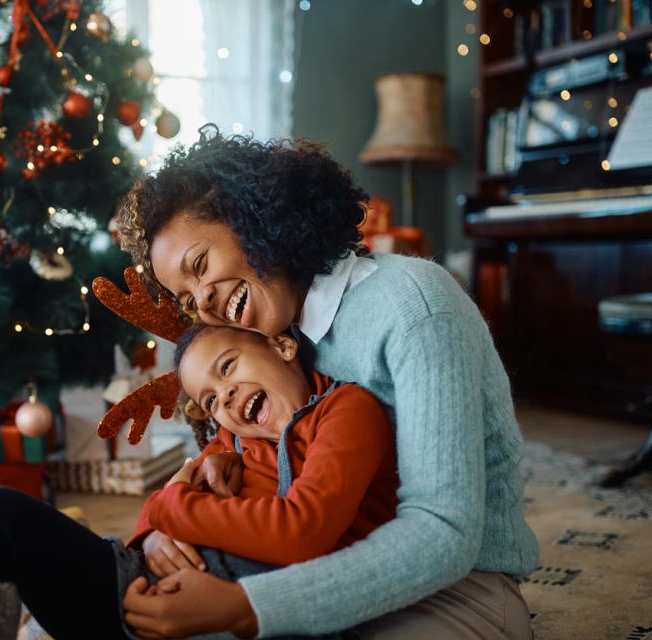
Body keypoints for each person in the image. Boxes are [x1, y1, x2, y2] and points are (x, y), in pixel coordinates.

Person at [115, 126, 539, 639]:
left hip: (456, 588)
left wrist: (248, 607)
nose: (201, 303)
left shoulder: (414, 306)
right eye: (186, 299)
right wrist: (157, 532)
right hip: (311, 566)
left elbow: (444, 534)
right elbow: (213, 465)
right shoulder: (272, 333)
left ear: (250, 218)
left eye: (200, 266)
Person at [0, 322, 399, 639]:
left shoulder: (345, 410)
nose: (226, 399)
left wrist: (172, 505)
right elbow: (161, 506)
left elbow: (303, 531)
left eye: (228, 366)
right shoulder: (234, 435)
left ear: (283, 345)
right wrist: (152, 532)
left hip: (244, 613)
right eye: (210, 402)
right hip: (139, 590)